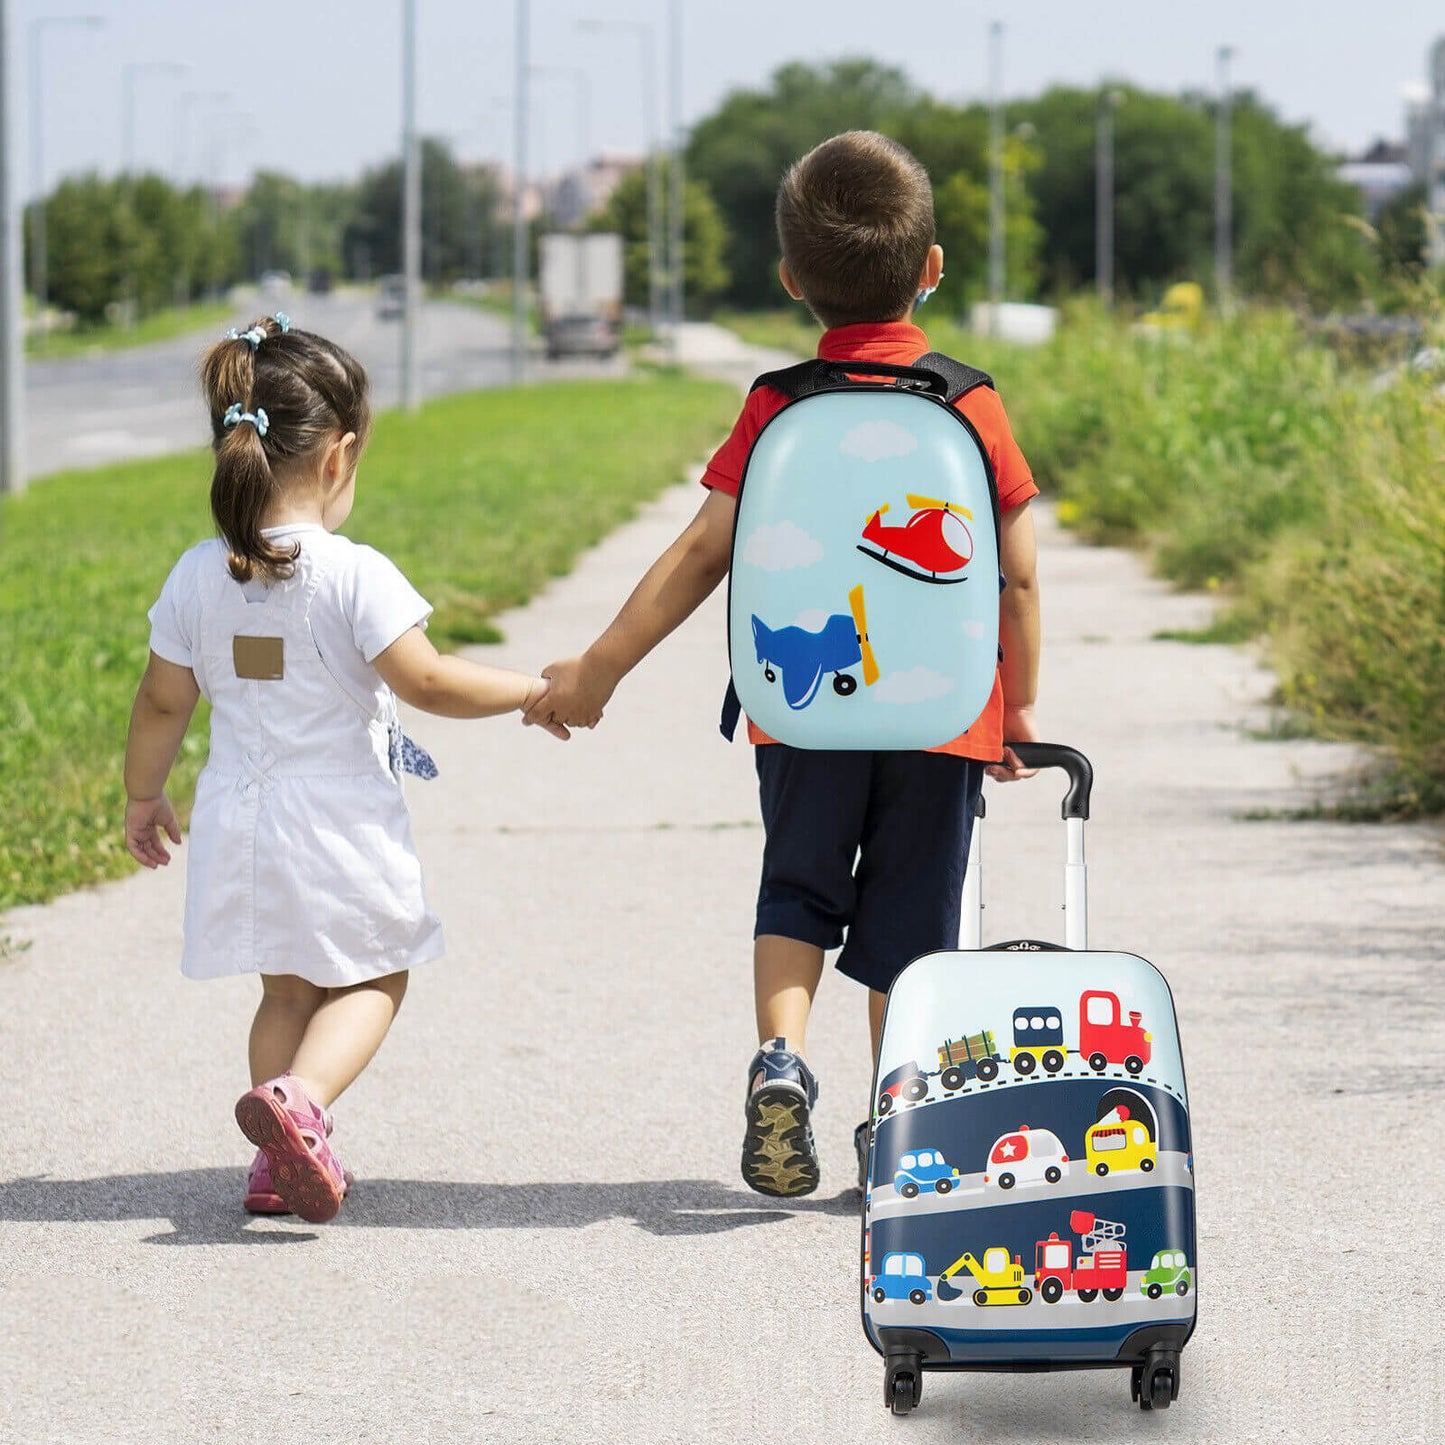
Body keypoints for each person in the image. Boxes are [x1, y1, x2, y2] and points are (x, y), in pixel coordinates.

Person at [526, 131, 1042, 1197]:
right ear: (930, 266)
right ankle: (894, 1118)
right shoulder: (969, 401)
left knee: (796, 889)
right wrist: (1018, 705)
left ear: (791, 279)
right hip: (938, 712)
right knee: (910, 922)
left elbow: (702, 549)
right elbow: (1016, 575)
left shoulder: (777, 404)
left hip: (801, 714)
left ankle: (779, 1056)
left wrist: (597, 670)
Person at [123, 314, 563, 1223]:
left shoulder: (198, 574)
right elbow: (429, 680)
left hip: (242, 822)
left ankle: (270, 1159)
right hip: (338, 822)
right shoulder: (352, 573)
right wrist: (531, 690)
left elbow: (164, 700)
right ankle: (303, 1107)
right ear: (338, 458)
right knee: (375, 975)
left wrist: (141, 792)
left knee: (285, 988)